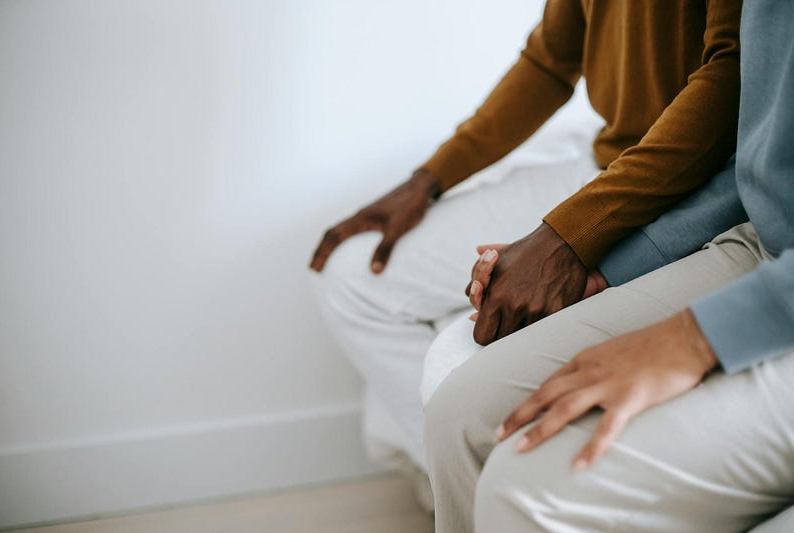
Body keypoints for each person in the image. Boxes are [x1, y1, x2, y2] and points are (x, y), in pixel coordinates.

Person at [310, 0, 741, 480]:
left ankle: (498, 496)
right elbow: (550, 59)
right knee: (353, 276)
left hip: (693, 186)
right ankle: (463, 493)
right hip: (604, 161)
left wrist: (565, 237)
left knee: (460, 359)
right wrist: (428, 179)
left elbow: (732, 77)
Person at [423, 0, 794, 530]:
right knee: (458, 414)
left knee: (525, 490)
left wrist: (693, 338)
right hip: (762, 241)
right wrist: (605, 265)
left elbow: (722, 79)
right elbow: (756, 158)